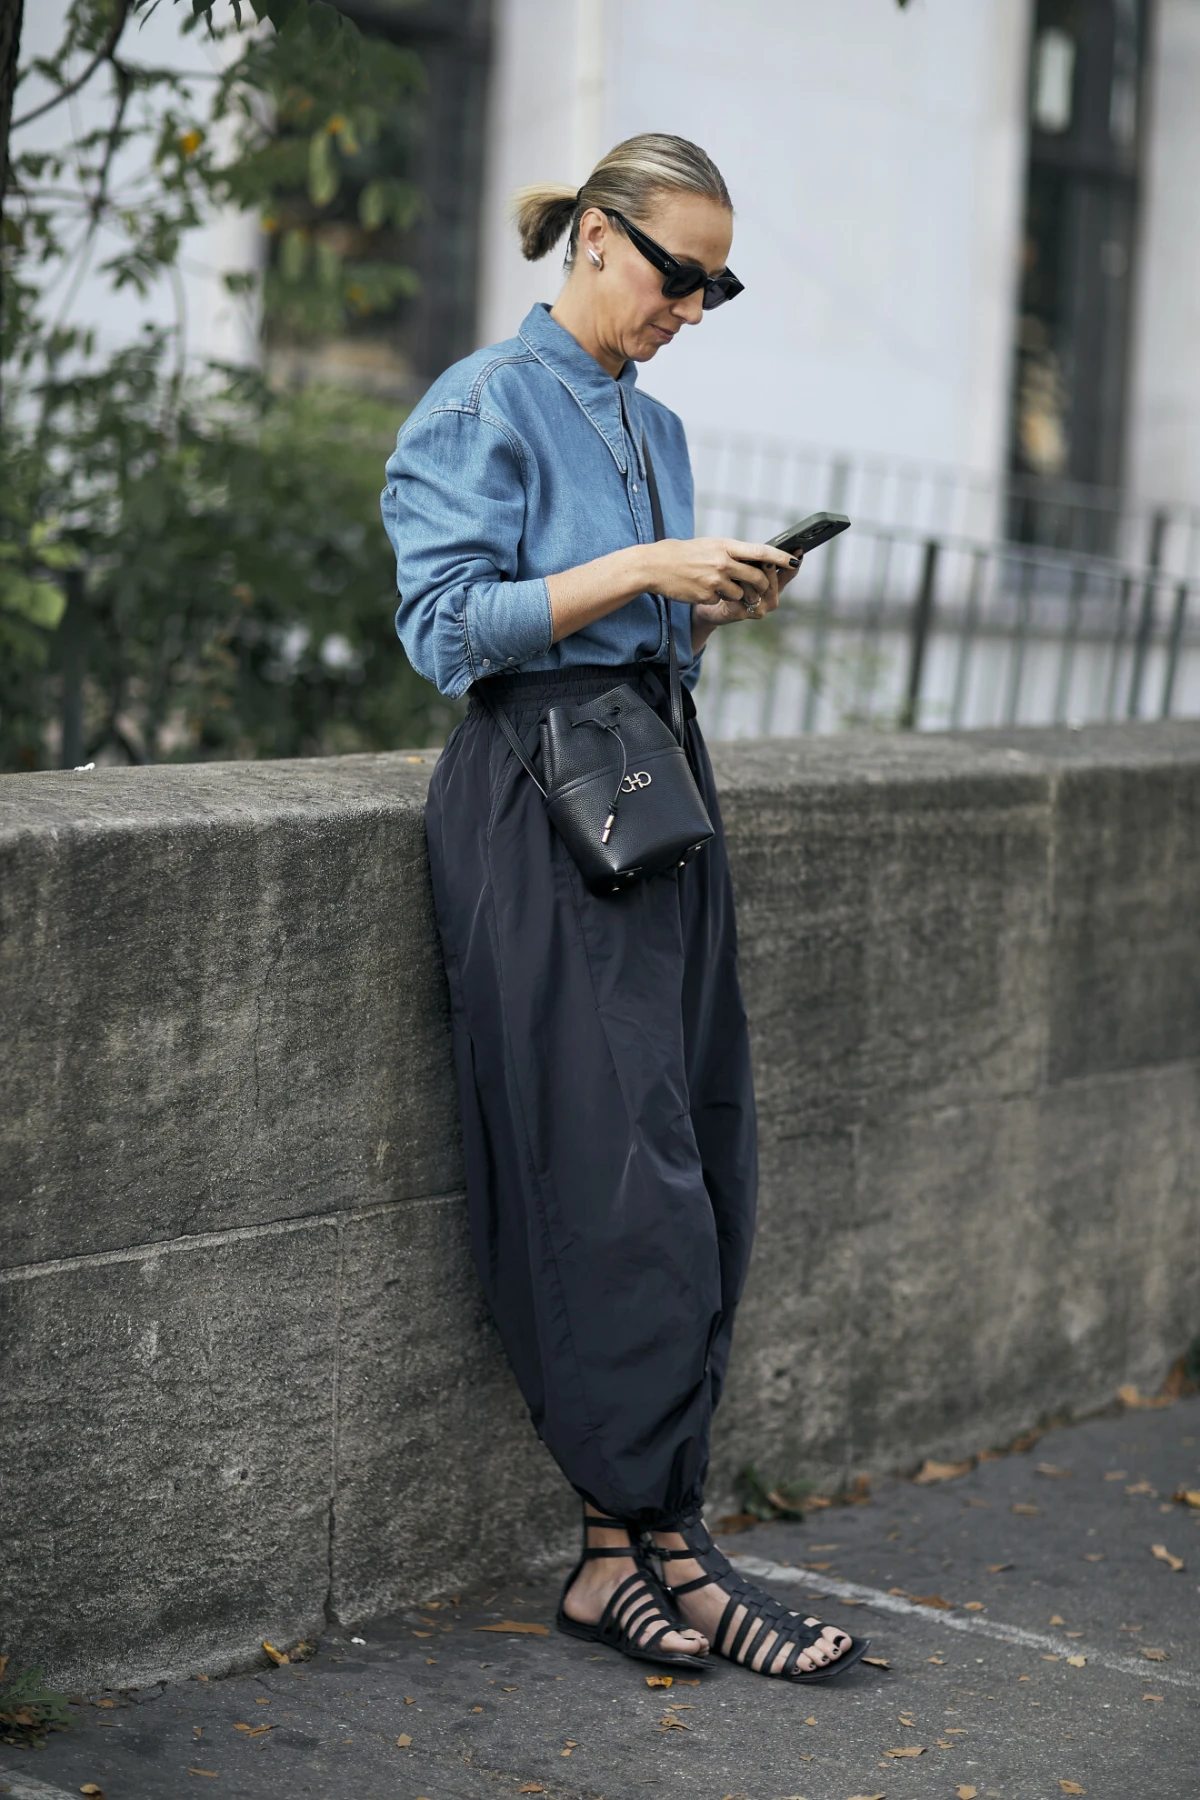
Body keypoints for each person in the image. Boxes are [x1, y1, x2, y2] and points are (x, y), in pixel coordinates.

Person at [381, 132, 866, 1684]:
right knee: (611, 1167)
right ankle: (629, 1548)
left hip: (653, 790)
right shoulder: (479, 404)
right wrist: (648, 561)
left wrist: (705, 595)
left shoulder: (652, 423)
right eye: (680, 273)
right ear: (597, 237)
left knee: (700, 1150)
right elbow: (450, 633)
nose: (695, 306)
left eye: (718, 284)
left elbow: (631, 633)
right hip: (539, 805)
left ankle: (653, 1543)